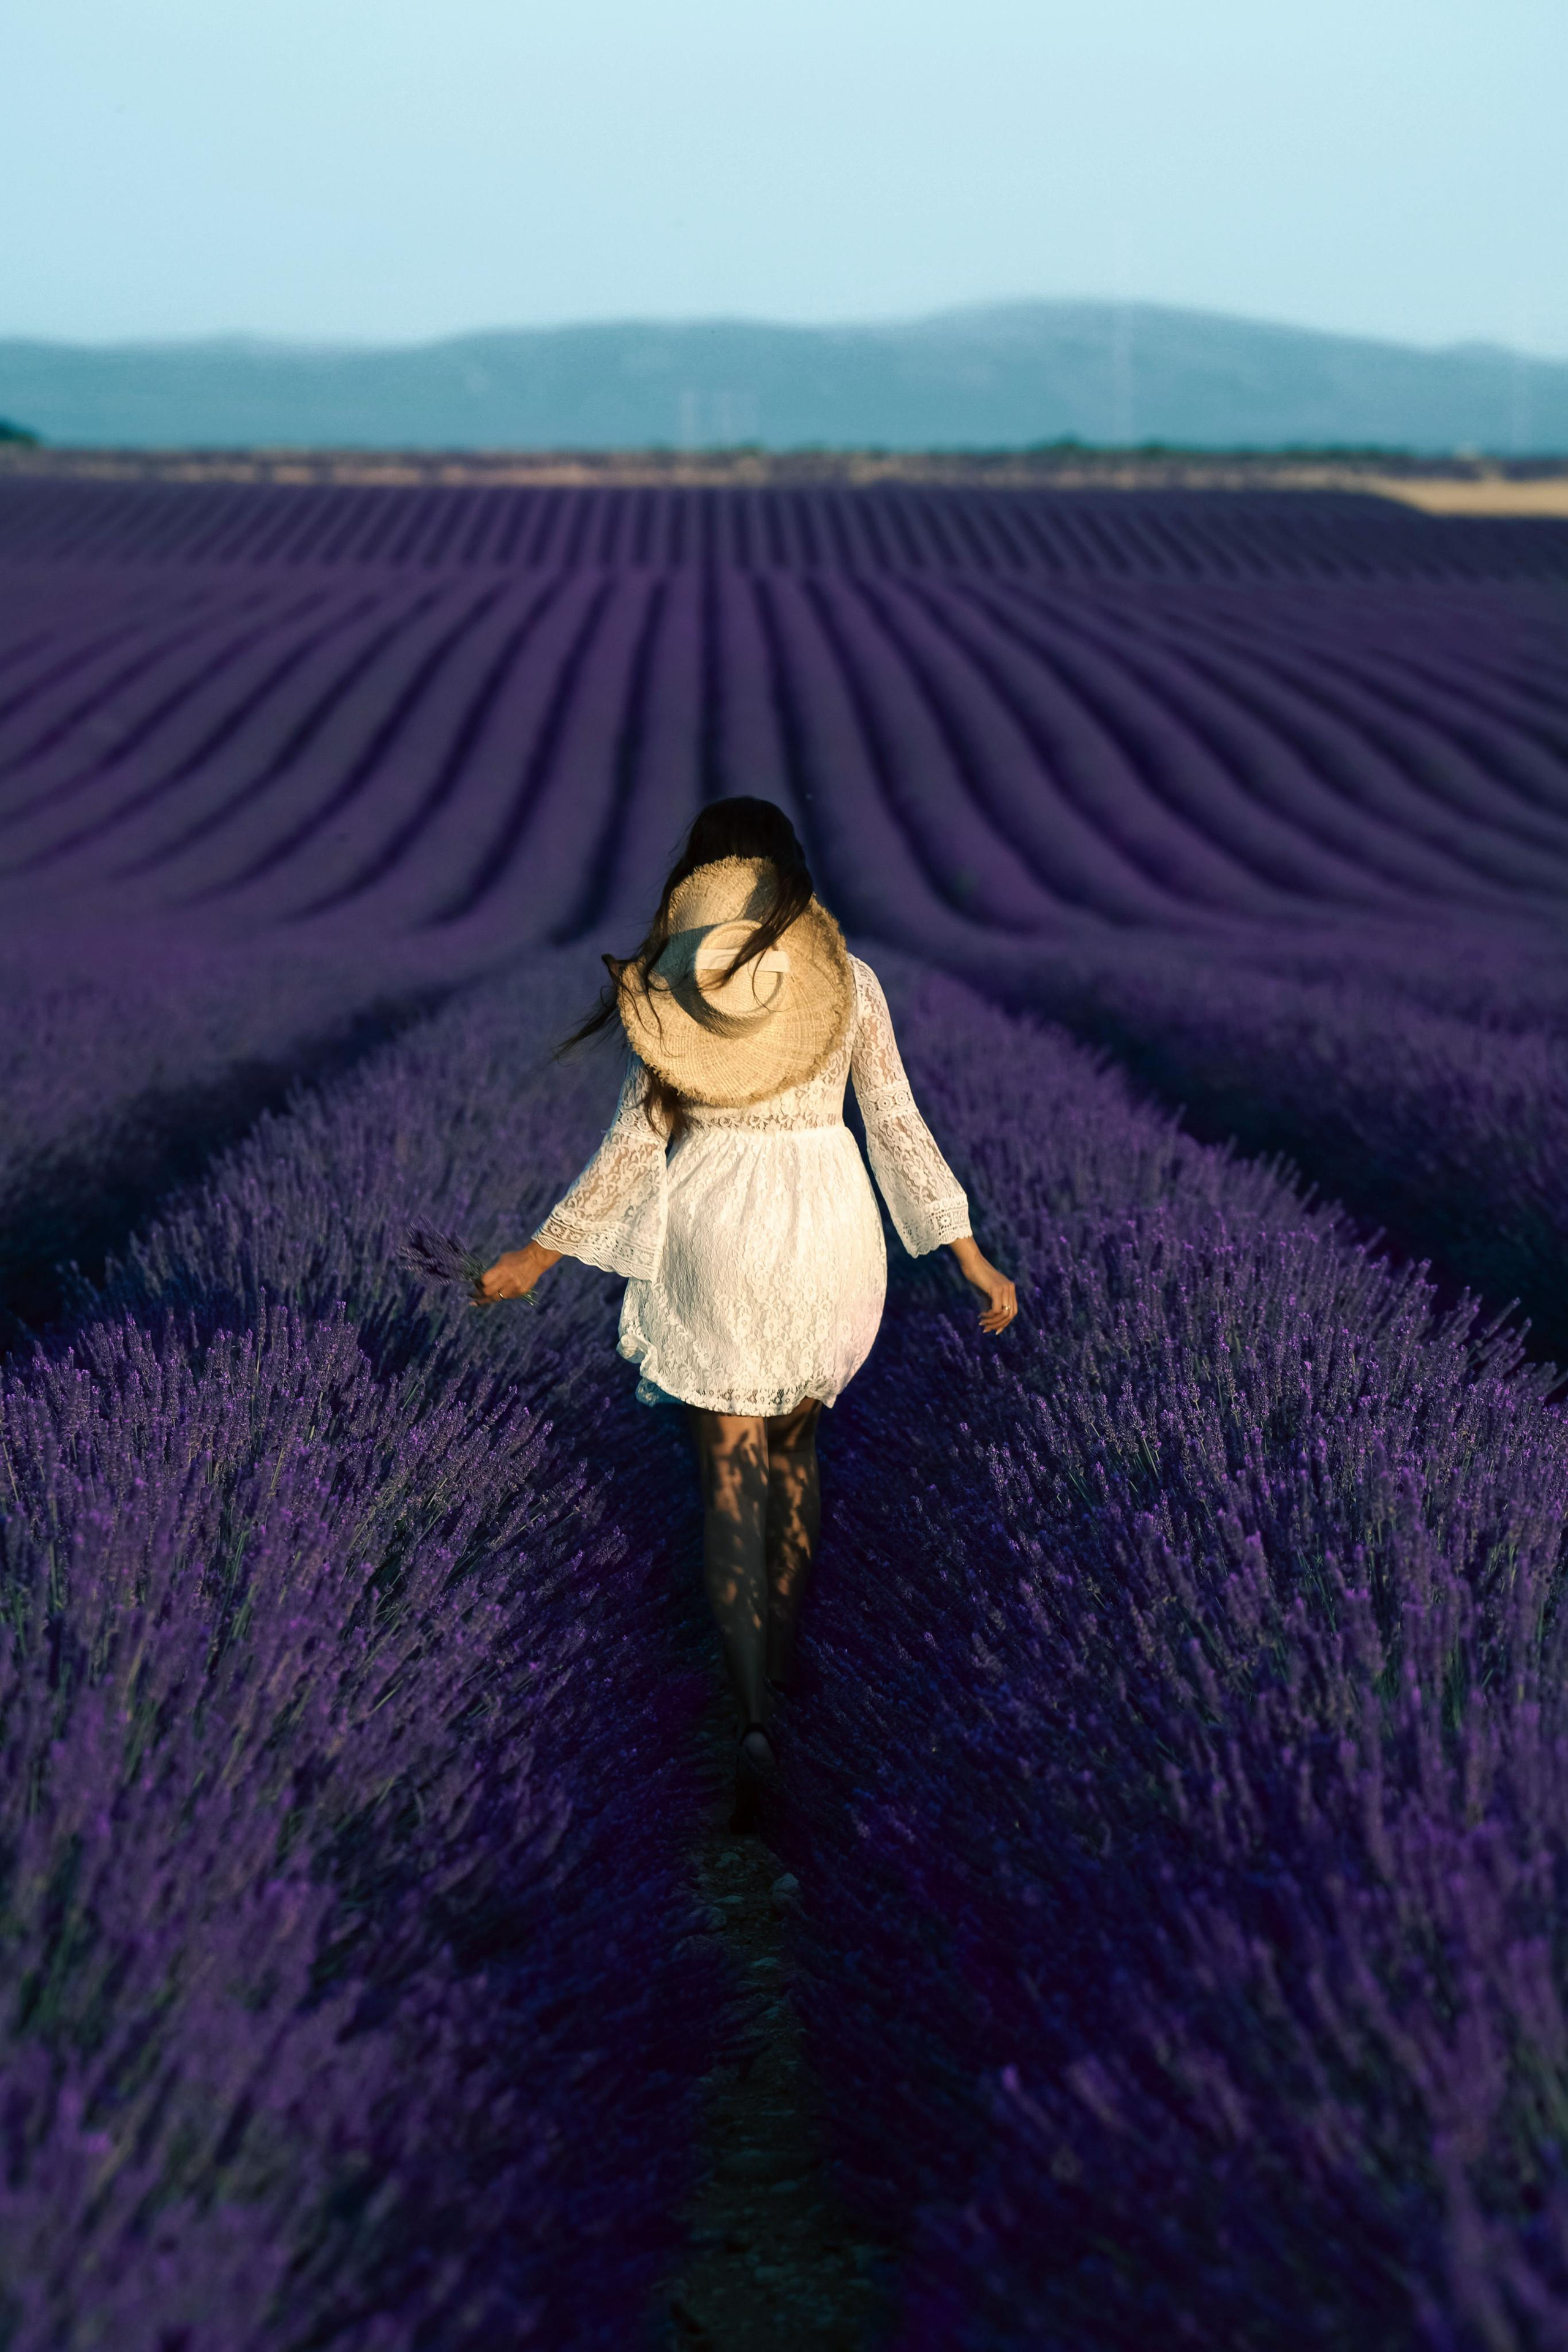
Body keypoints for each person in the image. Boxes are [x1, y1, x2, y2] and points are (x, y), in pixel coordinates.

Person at [480, 797, 1017, 1827]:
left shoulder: (681, 984)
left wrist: (536, 1257)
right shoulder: (849, 984)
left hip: (715, 1229)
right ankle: (789, 1648)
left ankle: (751, 1708)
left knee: (729, 1480)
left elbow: (637, 1144)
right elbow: (899, 1126)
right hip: (828, 1228)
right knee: (795, 1457)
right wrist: (971, 1256)